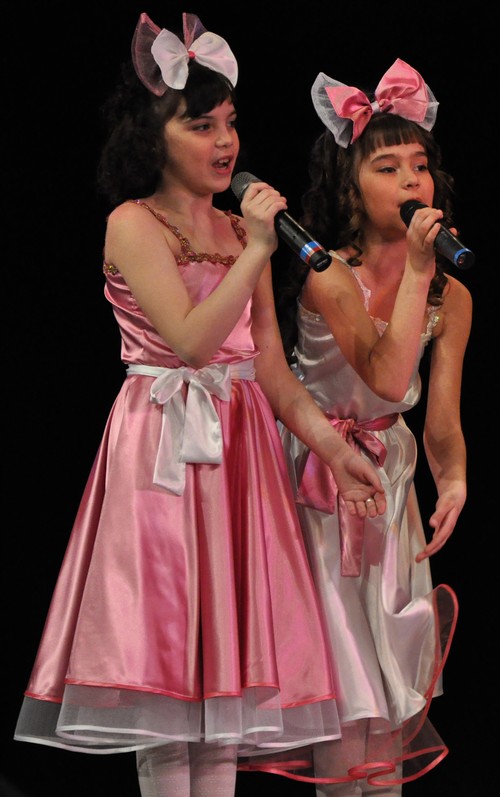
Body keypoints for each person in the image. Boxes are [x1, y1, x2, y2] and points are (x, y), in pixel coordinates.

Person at [13, 12, 387, 797]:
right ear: (153, 136)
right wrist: (257, 249)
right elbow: (189, 340)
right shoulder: (133, 223)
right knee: (168, 702)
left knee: (223, 713)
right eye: (201, 125)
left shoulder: (237, 228)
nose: (225, 142)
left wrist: (333, 449)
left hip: (240, 460)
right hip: (163, 458)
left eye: (230, 123)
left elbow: (272, 372)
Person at [267, 58, 467, 795]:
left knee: (385, 691)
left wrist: (454, 476)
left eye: (420, 165)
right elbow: (384, 375)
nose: (412, 180)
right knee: (340, 690)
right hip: (320, 483)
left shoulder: (450, 292)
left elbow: (438, 415)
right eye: (388, 168)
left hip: (392, 483)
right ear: (350, 185)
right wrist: (416, 272)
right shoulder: (329, 275)